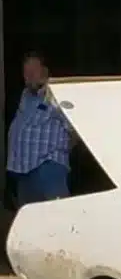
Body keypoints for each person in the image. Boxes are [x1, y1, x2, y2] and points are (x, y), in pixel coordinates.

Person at [6, 51, 73, 209]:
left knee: (55, 218)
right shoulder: (26, 95)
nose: (28, 76)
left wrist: (63, 150)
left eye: (32, 71)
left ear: (44, 71)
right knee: (30, 222)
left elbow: (74, 126)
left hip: (48, 168)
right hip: (24, 170)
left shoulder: (58, 93)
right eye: (25, 73)